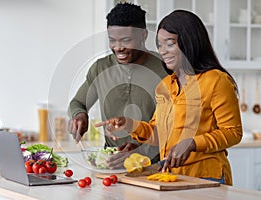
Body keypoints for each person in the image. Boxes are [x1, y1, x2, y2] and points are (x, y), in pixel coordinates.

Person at [95, 10, 243, 185]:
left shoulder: (216, 80)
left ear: (189, 42)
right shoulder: (165, 85)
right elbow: (158, 133)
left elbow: (233, 132)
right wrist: (129, 124)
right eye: (160, 45)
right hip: (171, 177)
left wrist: (193, 143)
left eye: (170, 43)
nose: (163, 51)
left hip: (207, 176)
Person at [68, 2, 168, 168]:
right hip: (112, 165)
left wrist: (142, 152)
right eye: (112, 40)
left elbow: (178, 127)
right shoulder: (101, 68)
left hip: (156, 166)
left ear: (143, 35)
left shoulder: (166, 69)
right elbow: (78, 103)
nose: (118, 48)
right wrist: (79, 115)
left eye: (126, 40)